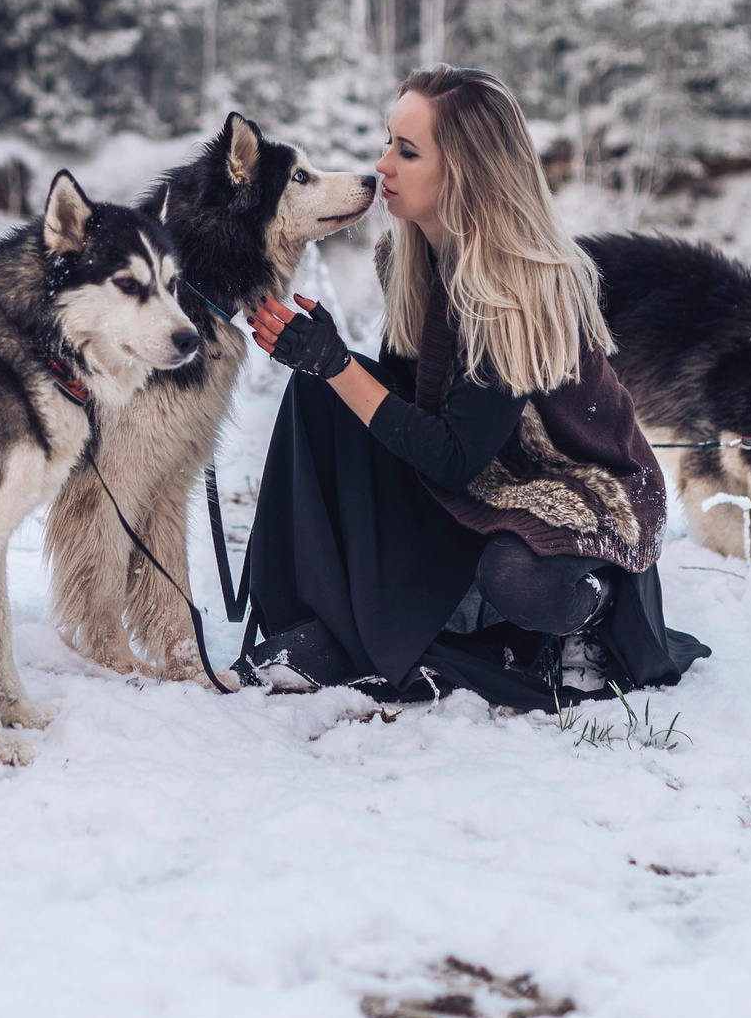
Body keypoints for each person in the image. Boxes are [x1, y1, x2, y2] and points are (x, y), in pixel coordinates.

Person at [236, 65, 708, 707]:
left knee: (521, 580)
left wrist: (337, 364)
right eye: (387, 143)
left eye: (406, 151)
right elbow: (402, 408)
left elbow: (452, 458)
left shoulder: (518, 286)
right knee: (320, 395)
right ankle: (330, 622)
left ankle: (590, 613)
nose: (382, 166)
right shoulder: (407, 256)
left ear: (464, 169)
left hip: (574, 493)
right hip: (485, 478)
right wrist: (323, 361)